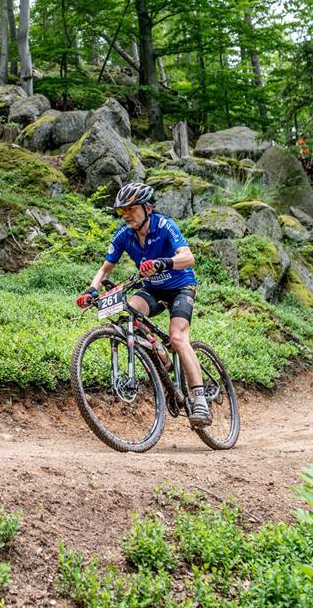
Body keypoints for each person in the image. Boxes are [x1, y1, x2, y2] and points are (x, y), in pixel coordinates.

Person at [76, 182, 212, 427]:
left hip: (181, 286)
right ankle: (160, 353)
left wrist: (163, 263)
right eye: (122, 211)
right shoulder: (123, 235)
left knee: (178, 337)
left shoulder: (164, 225)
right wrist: (91, 290)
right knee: (128, 315)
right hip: (152, 289)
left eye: (131, 209)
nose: (126, 215)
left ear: (147, 208)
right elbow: (105, 269)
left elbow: (188, 257)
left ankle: (200, 398)